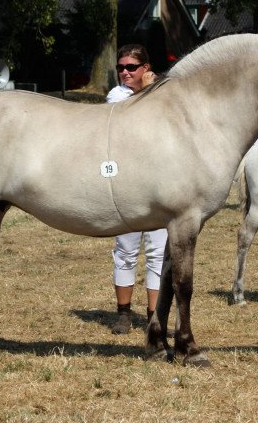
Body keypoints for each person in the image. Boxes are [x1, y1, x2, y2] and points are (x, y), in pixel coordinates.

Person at [106, 43, 168, 334]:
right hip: (127, 184)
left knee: (158, 250)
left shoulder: (160, 93)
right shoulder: (117, 96)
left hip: (157, 184)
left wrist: (154, 90)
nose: (124, 72)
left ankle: (154, 315)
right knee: (126, 249)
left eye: (131, 67)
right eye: (121, 67)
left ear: (146, 68)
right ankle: (123, 314)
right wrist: (148, 90)